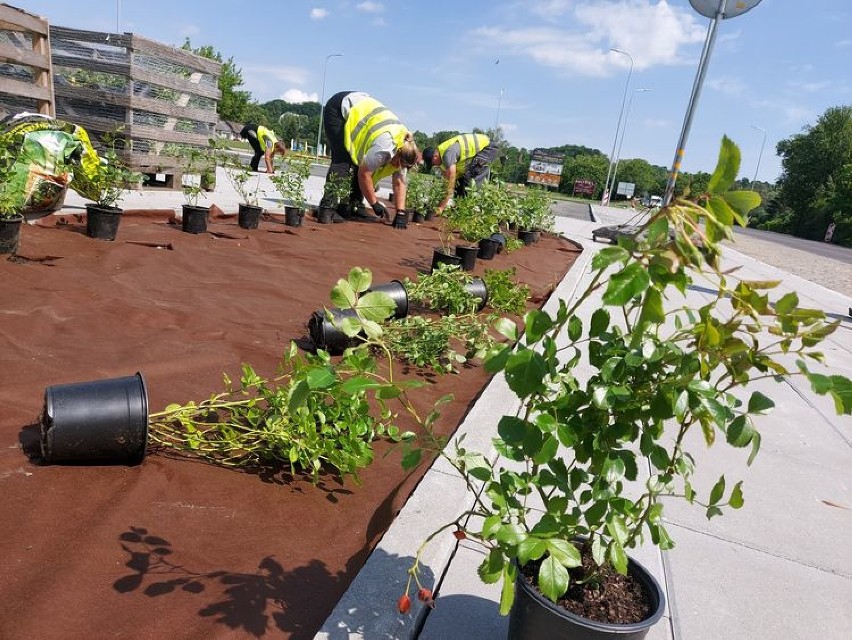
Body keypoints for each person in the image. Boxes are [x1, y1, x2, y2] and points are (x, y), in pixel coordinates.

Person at [319, 91, 419, 221]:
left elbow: (400, 182)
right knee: (342, 161)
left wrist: (400, 213)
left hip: (361, 108)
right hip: (340, 107)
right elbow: (364, 174)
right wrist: (374, 203)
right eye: (399, 164)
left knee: (359, 164)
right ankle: (327, 209)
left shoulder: (407, 147)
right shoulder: (385, 148)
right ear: (398, 153)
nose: (397, 168)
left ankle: (355, 206)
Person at [421, 133, 500, 215]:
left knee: (470, 181)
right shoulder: (442, 156)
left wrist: (441, 207)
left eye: (433, 164)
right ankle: (459, 210)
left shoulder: (448, 155)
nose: (435, 166)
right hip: (480, 151)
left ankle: (469, 213)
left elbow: (450, 182)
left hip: (487, 148)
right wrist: (440, 200)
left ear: (435, 157)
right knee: (459, 182)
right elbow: (447, 181)